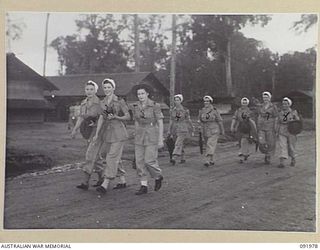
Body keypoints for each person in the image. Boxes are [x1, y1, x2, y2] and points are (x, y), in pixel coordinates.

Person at [92, 78, 131, 194]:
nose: (107, 89)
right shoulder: (102, 102)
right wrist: (97, 134)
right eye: (105, 88)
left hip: (119, 133)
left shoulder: (119, 101)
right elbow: (101, 118)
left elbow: (128, 116)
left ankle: (105, 183)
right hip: (107, 133)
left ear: (113, 88)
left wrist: (116, 117)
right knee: (109, 155)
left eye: (109, 87)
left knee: (111, 157)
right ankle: (122, 180)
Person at [131, 84, 164, 195]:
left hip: (151, 134)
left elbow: (160, 122)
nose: (140, 96)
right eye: (138, 94)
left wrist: (160, 139)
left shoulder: (155, 105)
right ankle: (143, 185)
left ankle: (158, 176)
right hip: (139, 136)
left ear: (147, 94)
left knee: (149, 161)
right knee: (139, 162)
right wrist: (135, 132)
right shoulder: (135, 106)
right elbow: (136, 120)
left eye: (142, 93)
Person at [71, 80, 103, 190]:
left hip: (97, 131)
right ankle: (102, 178)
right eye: (87, 89)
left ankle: (85, 182)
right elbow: (81, 117)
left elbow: (100, 118)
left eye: (91, 89)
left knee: (90, 155)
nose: (89, 91)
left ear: (95, 90)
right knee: (96, 157)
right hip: (88, 131)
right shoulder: (83, 102)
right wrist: (75, 129)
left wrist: (97, 131)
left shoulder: (98, 103)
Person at [198, 95, 225, 167]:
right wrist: (200, 127)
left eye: (207, 101)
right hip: (205, 130)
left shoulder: (215, 111)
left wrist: (222, 130)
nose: (206, 103)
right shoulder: (202, 111)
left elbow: (219, 120)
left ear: (210, 102)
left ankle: (207, 159)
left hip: (214, 129)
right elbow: (200, 120)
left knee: (210, 144)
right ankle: (211, 159)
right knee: (208, 145)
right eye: (205, 101)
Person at [167, 94, 194, 165]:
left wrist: (192, 127)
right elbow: (171, 120)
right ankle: (183, 157)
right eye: (175, 100)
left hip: (182, 128)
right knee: (178, 143)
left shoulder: (185, 110)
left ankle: (174, 157)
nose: (176, 101)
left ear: (181, 101)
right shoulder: (173, 110)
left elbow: (188, 120)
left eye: (178, 100)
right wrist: (169, 130)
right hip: (174, 128)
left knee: (178, 143)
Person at [230, 97, 257, 163]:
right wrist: (232, 126)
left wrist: (253, 129)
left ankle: (242, 154)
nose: (244, 104)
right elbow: (235, 118)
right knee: (240, 141)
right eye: (243, 102)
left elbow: (252, 121)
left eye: (245, 102)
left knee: (244, 140)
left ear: (247, 103)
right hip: (239, 127)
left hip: (247, 128)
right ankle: (245, 153)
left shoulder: (250, 111)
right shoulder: (238, 111)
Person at [276, 97, 300, 168]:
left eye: (286, 104)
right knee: (282, 146)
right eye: (283, 104)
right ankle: (282, 162)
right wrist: (276, 130)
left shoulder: (293, 112)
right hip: (282, 130)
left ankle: (293, 158)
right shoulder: (280, 112)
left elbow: (298, 121)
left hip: (291, 130)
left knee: (291, 146)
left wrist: (295, 127)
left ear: (289, 104)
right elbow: (278, 122)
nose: (284, 105)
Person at [257, 91, 278, 164]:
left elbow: (276, 117)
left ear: (270, 98)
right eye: (264, 97)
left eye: (267, 97)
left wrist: (275, 126)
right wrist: (257, 124)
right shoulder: (260, 106)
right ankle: (265, 152)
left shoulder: (273, 107)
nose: (265, 99)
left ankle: (268, 155)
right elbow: (259, 115)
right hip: (261, 126)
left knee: (270, 142)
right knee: (261, 142)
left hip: (270, 126)